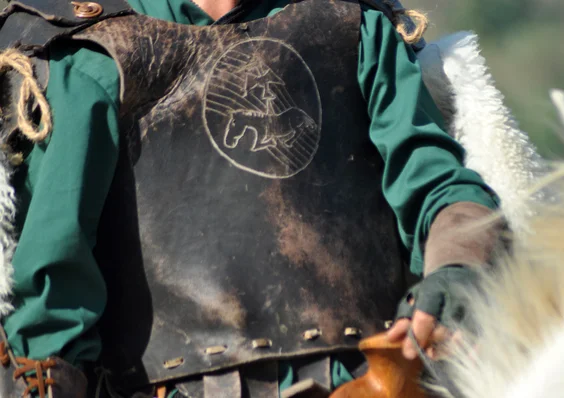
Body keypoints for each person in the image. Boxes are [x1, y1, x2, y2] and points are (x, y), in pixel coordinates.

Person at [0, 0, 501, 396]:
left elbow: (440, 185)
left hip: (368, 384)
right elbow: (49, 289)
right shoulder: (87, 52)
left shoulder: (352, 26)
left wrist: (457, 270)